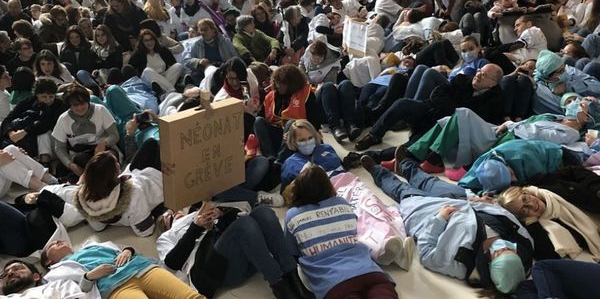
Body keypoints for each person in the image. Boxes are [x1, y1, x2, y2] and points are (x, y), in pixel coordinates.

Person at [362, 157, 533, 295]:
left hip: (428, 212)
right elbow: (507, 215)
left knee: (402, 190)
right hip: (464, 200)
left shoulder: (461, 264)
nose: (505, 247)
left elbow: (427, 253)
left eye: (501, 253)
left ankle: (376, 171)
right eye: (512, 251)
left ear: (489, 261)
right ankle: (405, 162)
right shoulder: (522, 241)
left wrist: (439, 219)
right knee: (427, 181)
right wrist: (487, 203)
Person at [285, 165, 398, 299]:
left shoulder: (292, 216)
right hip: (370, 272)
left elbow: (291, 252)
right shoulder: (342, 203)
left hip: (334, 283)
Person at [157, 203, 312, 299]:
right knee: (244, 225)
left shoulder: (195, 214)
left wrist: (221, 213)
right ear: (163, 225)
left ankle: (294, 279)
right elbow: (172, 262)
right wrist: (195, 227)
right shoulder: (166, 237)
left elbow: (236, 219)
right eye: (166, 216)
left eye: (173, 210)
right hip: (215, 271)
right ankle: (281, 288)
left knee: (263, 213)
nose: (172, 213)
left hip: (247, 255)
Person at [356, 64, 505, 150]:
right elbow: (438, 92)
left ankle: (378, 157)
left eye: (484, 75)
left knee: (413, 147)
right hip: (430, 108)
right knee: (402, 104)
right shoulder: (463, 79)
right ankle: (374, 135)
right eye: (479, 71)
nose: (478, 75)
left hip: (445, 127)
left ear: (493, 83)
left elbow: (472, 117)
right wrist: (452, 107)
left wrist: (449, 108)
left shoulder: (495, 99)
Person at [41, 240, 205, 299]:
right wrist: (89, 276)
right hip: (113, 288)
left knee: (192, 297)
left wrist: (128, 250)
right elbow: (74, 294)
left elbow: (124, 249)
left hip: (140, 268)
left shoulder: (92, 244)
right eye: (52, 245)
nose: (58, 241)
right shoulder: (55, 274)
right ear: (48, 261)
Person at [498, 185, 600, 259]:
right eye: (524, 210)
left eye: (525, 198)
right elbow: (549, 256)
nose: (531, 205)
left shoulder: (553, 191)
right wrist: (531, 222)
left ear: (527, 192)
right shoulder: (539, 228)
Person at [254, 64, 321, 164]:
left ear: (292, 83)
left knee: (291, 124)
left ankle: (280, 162)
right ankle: (270, 157)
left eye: (282, 83)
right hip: (277, 135)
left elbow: (315, 123)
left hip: (298, 138)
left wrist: (297, 128)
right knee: (258, 121)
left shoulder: (307, 95)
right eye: (276, 82)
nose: (278, 86)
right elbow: (261, 117)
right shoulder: (270, 96)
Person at [52, 83, 119, 175]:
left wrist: (104, 143)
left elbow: (114, 135)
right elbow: (59, 147)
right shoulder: (64, 119)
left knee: (107, 161)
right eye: (75, 105)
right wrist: (71, 165)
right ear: (70, 106)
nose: (80, 108)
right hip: (80, 154)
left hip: (103, 149)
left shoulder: (100, 110)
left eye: (82, 103)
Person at [1, 77, 66, 160]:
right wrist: (10, 132)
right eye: (44, 97)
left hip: (52, 138)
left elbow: (46, 124)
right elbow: (8, 119)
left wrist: (25, 131)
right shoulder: (28, 102)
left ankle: (45, 161)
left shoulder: (58, 105)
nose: (48, 100)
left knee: (43, 134)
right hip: (27, 137)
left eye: (51, 97)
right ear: (37, 95)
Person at [128, 29, 183, 95]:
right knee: (147, 71)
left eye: (151, 39)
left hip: (164, 77)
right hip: (149, 80)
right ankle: (172, 91)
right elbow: (130, 69)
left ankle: (163, 93)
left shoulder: (163, 50)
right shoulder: (138, 54)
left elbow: (173, 63)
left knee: (178, 66)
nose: (150, 42)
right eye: (146, 40)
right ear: (142, 42)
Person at [184, 19, 238, 84]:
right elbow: (187, 60)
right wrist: (198, 61)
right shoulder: (196, 44)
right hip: (204, 71)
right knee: (196, 75)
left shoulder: (225, 42)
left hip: (224, 70)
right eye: (201, 30)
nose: (203, 32)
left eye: (205, 29)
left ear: (213, 29)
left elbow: (236, 57)